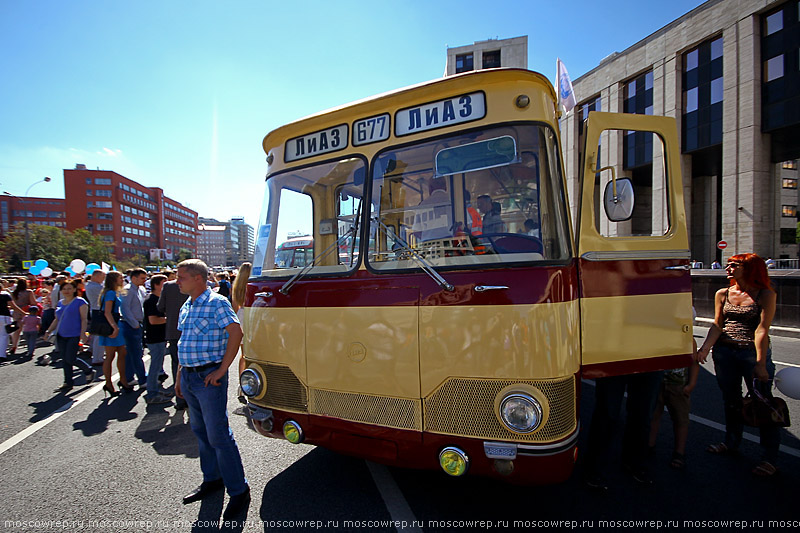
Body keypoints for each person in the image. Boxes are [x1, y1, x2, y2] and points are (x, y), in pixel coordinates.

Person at [175, 259, 249, 521]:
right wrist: (179, 376)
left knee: (218, 435)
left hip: (209, 377)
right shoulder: (189, 304)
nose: (177, 281)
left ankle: (239, 490)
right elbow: (185, 342)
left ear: (198, 278)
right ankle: (212, 480)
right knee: (201, 432)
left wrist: (221, 370)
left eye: (181, 276)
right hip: (191, 377)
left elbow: (236, 333)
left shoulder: (216, 302)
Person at [696, 253, 779, 477]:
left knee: (762, 403)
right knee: (731, 401)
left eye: (735, 265)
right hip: (725, 352)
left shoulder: (765, 294)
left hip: (751, 354)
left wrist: (761, 363)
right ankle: (731, 443)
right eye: (729, 264)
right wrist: (705, 348)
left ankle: (769, 458)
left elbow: (762, 330)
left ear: (751, 268)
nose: (729, 267)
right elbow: (717, 324)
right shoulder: (723, 293)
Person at [583, 370, 664, 489]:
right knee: (607, 413)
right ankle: (594, 467)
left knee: (643, 414)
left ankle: (634, 461)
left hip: (651, 360)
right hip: (614, 357)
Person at [648, 311, 700, 469]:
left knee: (680, 418)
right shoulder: (659, 335)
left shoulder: (687, 340)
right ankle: (649, 445)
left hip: (678, 384)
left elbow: (694, 362)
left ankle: (679, 452)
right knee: (654, 415)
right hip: (658, 382)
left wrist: (691, 384)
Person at [44, 279, 95, 392]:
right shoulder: (60, 303)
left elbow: (83, 319)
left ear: (74, 289)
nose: (67, 291)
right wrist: (48, 331)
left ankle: (88, 370)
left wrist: (83, 333)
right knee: (65, 359)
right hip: (61, 334)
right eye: (64, 289)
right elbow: (57, 319)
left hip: (74, 334)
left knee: (70, 358)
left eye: (69, 288)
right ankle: (68, 382)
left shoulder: (80, 301)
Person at [158, 275, 189, 410]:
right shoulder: (194, 283)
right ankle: (190, 397)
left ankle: (181, 398)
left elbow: (160, 307)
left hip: (173, 329)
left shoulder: (168, 286)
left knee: (177, 363)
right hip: (190, 330)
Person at [98, 271, 131, 397]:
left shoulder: (111, 292)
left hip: (115, 325)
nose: (122, 279)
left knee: (122, 353)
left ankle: (123, 380)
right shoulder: (110, 293)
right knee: (110, 355)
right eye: (120, 278)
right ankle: (109, 383)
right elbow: (107, 312)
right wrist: (114, 327)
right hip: (112, 326)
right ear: (113, 280)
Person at [144, 274, 172, 404]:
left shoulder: (157, 298)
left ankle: (154, 389)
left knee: (157, 365)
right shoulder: (152, 300)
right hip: (155, 337)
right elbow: (153, 320)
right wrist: (169, 319)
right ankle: (152, 393)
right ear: (156, 285)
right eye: (164, 283)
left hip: (159, 336)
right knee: (155, 366)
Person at [120, 268, 148, 387]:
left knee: (131, 353)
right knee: (136, 353)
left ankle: (129, 377)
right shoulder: (126, 290)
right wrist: (134, 324)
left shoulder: (140, 289)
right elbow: (125, 309)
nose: (144, 280)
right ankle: (142, 379)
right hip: (130, 324)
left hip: (137, 323)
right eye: (142, 278)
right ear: (134, 278)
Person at [231, 262, 251, 414]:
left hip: (241, 316)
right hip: (252, 316)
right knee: (255, 354)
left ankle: (242, 384)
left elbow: (234, 306)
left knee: (243, 355)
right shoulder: (253, 284)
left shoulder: (236, 286)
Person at [84, 269, 107, 367]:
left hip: (95, 310)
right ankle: (97, 358)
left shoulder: (90, 285)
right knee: (100, 335)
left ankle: (92, 351)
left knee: (96, 335)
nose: (103, 280)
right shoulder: (96, 287)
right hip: (98, 310)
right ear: (96, 276)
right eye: (102, 277)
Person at [10, 278, 36, 355]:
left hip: (16, 311)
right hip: (27, 311)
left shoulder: (14, 293)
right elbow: (33, 302)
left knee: (17, 330)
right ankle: (29, 347)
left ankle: (14, 345)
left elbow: (12, 304)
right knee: (29, 329)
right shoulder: (29, 292)